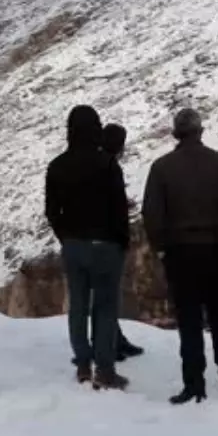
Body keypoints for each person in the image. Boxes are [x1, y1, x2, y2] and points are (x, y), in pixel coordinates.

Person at [142, 108, 218, 404]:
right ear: (200, 132)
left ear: (177, 134)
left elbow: (152, 213)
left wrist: (162, 247)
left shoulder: (161, 168)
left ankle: (194, 384)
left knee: (189, 322)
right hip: (217, 251)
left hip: (180, 254)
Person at [45, 105, 130, 390]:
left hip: (73, 245)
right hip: (106, 244)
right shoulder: (107, 164)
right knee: (105, 307)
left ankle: (83, 364)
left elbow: (51, 211)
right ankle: (105, 370)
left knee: (78, 305)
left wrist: (65, 236)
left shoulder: (57, 166)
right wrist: (122, 242)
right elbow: (120, 209)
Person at [99, 122, 145, 363]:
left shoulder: (97, 163)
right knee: (107, 298)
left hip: (95, 239)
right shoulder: (109, 166)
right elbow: (113, 207)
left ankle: (113, 340)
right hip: (108, 242)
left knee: (104, 297)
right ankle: (109, 345)